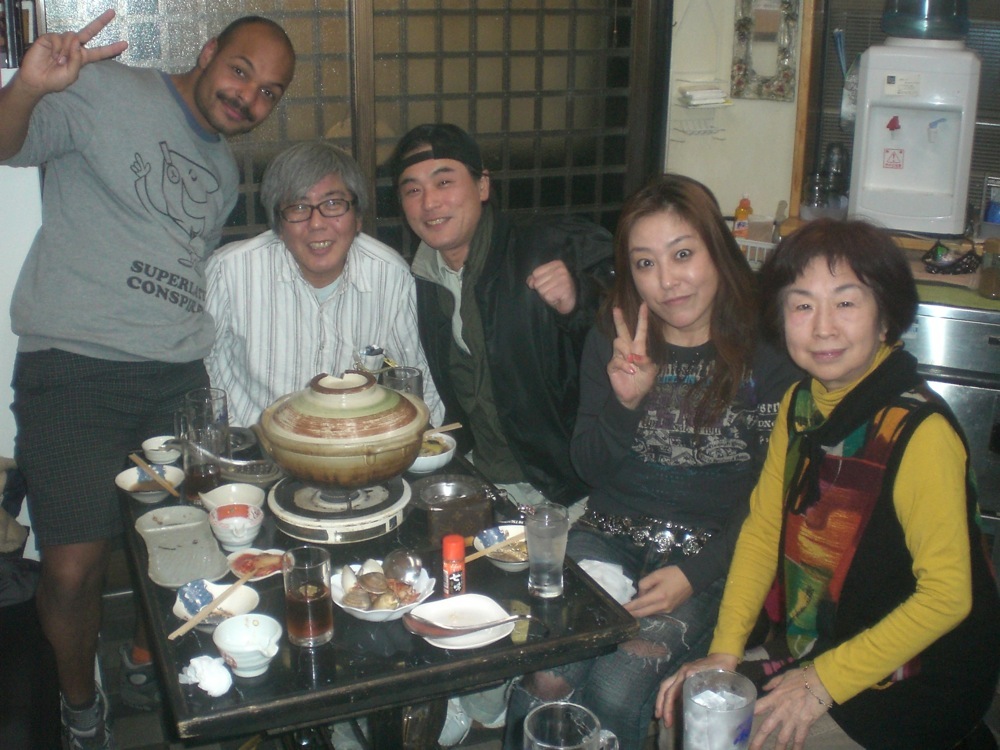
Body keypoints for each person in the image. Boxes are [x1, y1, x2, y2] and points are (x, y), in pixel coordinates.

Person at [0, 10, 295, 749]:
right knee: (73, 568)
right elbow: (5, 144)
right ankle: (81, 709)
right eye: (241, 72)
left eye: (268, 91)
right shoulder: (105, 90)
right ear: (208, 52)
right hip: (76, 368)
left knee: (188, 544)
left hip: (176, 377)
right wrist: (27, 86)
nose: (249, 97)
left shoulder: (222, 170)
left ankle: (146, 657)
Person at [656, 219, 1000, 750]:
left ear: (885, 319)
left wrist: (821, 683)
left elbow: (948, 597)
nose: (822, 328)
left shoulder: (920, 432)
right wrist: (725, 654)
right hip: (824, 646)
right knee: (690, 714)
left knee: (729, 740)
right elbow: (763, 528)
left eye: (845, 303)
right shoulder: (800, 405)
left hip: (916, 678)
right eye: (802, 305)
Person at [502, 174, 802, 750]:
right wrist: (625, 404)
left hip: (711, 554)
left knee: (619, 686)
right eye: (645, 263)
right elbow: (589, 468)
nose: (667, 281)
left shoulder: (768, 350)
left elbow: (770, 501)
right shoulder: (615, 335)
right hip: (607, 535)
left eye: (683, 254)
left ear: (718, 250)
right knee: (548, 671)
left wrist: (696, 574)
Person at [388, 123, 614, 512]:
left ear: (482, 186)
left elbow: (637, 310)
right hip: (480, 476)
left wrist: (580, 301)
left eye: (444, 182)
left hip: (567, 489)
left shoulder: (545, 246)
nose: (429, 203)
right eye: (413, 190)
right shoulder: (423, 278)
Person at [206, 141, 444, 428]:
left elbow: (418, 379)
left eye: (333, 204)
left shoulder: (390, 275)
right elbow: (199, 369)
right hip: (253, 445)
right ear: (278, 225)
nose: (316, 223)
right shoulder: (229, 272)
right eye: (298, 207)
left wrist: (424, 439)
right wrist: (231, 437)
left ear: (358, 217)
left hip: (353, 446)